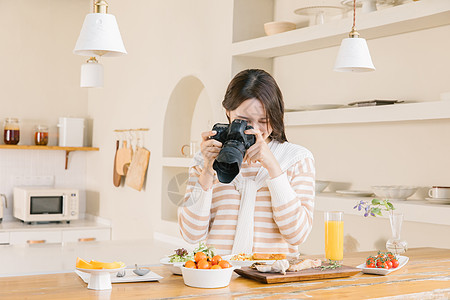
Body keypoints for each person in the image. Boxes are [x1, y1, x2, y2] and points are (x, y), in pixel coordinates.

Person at [178, 69, 315, 255]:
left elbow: (297, 235)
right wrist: (208, 169)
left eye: (264, 121)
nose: (255, 130)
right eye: (244, 121)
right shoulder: (205, 157)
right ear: (228, 112)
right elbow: (191, 234)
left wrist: (273, 167)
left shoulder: (297, 159)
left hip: (271, 281)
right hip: (219, 277)